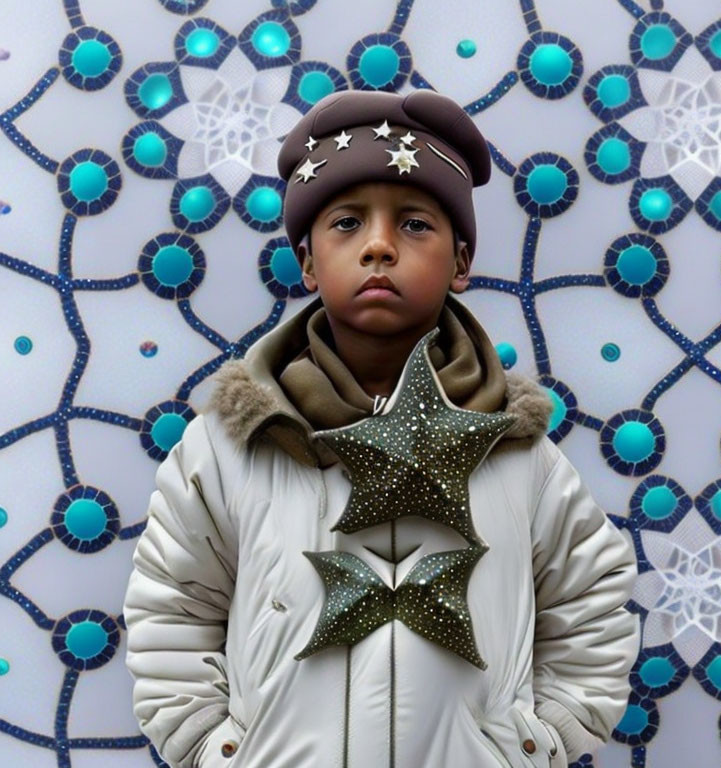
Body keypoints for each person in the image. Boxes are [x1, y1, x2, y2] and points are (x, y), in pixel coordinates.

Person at [123, 88, 641, 768]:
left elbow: (591, 605)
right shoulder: (227, 448)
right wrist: (221, 752)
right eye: (345, 223)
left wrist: (531, 747)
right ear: (306, 260)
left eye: (415, 224)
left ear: (461, 261)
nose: (377, 246)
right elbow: (171, 610)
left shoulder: (517, 455)